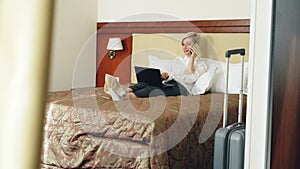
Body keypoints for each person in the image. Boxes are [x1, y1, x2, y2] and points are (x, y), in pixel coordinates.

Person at [104, 32, 207, 101]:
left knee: (153, 89)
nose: (184, 47)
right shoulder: (178, 60)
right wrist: (164, 76)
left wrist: (193, 57)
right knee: (145, 83)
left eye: (188, 44)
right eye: (183, 44)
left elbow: (190, 77)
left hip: (183, 89)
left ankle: (125, 97)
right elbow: (175, 75)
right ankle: (120, 90)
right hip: (170, 83)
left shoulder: (201, 64)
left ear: (196, 46)